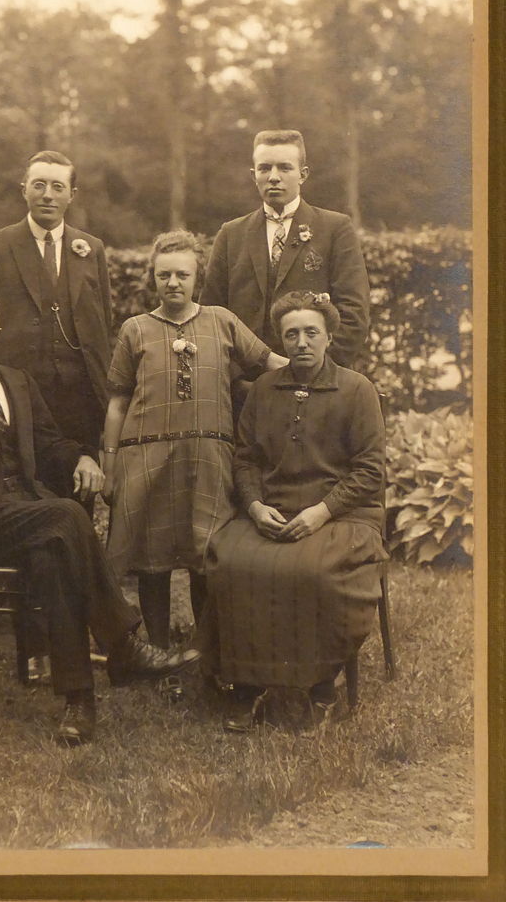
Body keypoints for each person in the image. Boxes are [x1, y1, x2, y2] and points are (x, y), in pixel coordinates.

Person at [0, 291, 195, 746]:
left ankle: (78, 703)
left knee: (55, 553)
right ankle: (121, 646)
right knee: (65, 515)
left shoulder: (17, 382)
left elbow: (49, 443)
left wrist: (83, 458)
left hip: (26, 514)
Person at [202, 290, 388, 732]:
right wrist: (253, 505)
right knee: (230, 561)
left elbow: (369, 471)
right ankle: (246, 684)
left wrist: (323, 512)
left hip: (344, 513)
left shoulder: (357, 390)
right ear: (281, 341)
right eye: (291, 334)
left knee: (312, 573)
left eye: (311, 333)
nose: (301, 342)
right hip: (275, 507)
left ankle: (321, 686)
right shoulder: (265, 389)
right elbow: (245, 458)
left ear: (328, 337)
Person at [101, 231, 288, 653]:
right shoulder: (136, 330)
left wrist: (319, 372)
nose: (173, 283)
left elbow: (269, 362)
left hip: (208, 457)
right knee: (152, 558)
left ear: (197, 276)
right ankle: (159, 647)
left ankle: (204, 649)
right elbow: (117, 402)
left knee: (208, 551)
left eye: (182, 275)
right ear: (152, 277)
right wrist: (110, 466)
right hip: (146, 457)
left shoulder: (221, 320)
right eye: (163, 274)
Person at [200, 129, 370, 414]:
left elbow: (354, 313)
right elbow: (210, 319)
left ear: (302, 174)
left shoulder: (334, 229)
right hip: (246, 394)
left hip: (317, 389)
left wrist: (315, 371)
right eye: (265, 168)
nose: (274, 176)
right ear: (253, 174)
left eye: (284, 167)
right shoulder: (231, 235)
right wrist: (236, 379)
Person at [0, 150, 111, 460]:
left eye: (58, 187)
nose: (47, 195)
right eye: (38, 185)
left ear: (72, 195)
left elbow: (103, 324)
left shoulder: (90, 249)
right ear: (24, 188)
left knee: (79, 491)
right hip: (14, 396)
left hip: (80, 401)